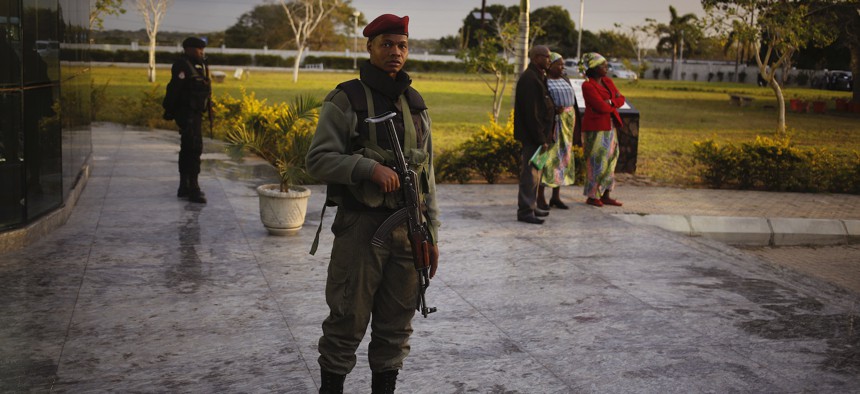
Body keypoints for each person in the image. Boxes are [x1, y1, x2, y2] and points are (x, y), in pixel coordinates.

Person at [305, 14, 440, 394]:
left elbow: (427, 177)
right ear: (369, 47)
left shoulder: (416, 103)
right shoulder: (346, 98)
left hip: (408, 229)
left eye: (402, 45)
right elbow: (317, 160)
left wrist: (431, 233)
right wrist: (367, 168)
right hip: (362, 228)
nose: (396, 52)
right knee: (347, 320)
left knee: (397, 324)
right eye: (387, 45)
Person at [162, 37, 212, 204]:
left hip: (196, 113)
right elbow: (174, 90)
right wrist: (169, 110)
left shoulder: (199, 65)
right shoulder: (182, 66)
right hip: (187, 114)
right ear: (188, 49)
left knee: (188, 149)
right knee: (193, 149)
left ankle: (184, 186)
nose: (202, 52)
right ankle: (193, 189)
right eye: (199, 49)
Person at [514, 45, 555, 224]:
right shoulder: (530, 79)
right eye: (547, 57)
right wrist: (540, 138)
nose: (549, 60)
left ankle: (532, 205)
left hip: (540, 135)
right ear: (536, 57)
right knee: (529, 175)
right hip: (533, 136)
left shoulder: (538, 76)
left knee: (536, 173)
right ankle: (525, 210)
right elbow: (532, 113)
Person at [580, 52, 624, 207]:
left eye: (606, 64)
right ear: (593, 68)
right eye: (602, 65)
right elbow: (600, 106)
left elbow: (621, 98)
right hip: (596, 129)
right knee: (597, 161)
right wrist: (612, 103)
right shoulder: (587, 85)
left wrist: (610, 102)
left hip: (610, 127)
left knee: (612, 159)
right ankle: (592, 196)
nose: (606, 67)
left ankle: (605, 194)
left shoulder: (607, 81)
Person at [536, 52, 577, 211]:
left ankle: (556, 196)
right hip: (553, 125)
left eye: (563, 64)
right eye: (559, 64)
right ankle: (540, 197)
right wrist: (554, 110)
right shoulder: (543, 81)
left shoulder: (565, 79)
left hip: (567, 125)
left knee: (562, 159)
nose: (562, 67)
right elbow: (541, 103)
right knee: (547, 160)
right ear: (550, 65)